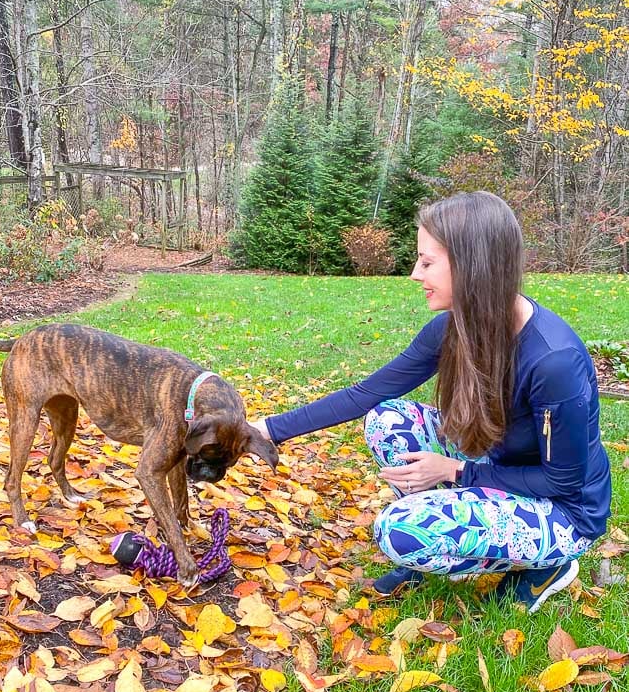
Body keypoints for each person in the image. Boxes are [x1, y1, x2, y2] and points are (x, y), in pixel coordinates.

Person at [251, 191, 611, 613]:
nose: (413, 274)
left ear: (472, 263)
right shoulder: (454, 329)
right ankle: (447, 543)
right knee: (388, 419)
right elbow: (366, 394)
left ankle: (546, 567)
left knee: (400, 530)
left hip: (563, 512)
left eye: (426, 262)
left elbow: (563, 482)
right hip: (498, 467)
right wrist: (264, 430)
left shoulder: (554, 361)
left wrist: (457, 471)